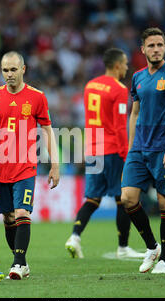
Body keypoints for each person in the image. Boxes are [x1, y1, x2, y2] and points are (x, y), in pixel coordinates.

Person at [0, 51, 60, 280]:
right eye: (5, 70)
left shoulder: (37, 97)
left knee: (22, 212)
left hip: (26, 165)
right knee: (8, 218)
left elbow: (47, 130)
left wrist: (55, 164)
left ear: (23, 69)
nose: (9, 74)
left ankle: (18, 263)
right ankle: (21, 260)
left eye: (13, 69)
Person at [121, 27, 165, 273]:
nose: (156, 49)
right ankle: (152, 247)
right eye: (151, 45)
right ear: (143, 49)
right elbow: (135, 113)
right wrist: (131, 148)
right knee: (128, 198)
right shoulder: (138, 77)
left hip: (164, 149)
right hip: (139, 148)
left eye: (160, 45)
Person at [64, 48, 144, 259]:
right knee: (123, 198)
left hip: (93, 149)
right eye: (125, 63)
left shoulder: (90, 85)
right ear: (117, 65)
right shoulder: (118, 89)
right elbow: (119, 125)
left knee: (92, 198)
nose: (127, 67)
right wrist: (126, 153)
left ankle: (74, 236)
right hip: (111, 150)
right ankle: (123, 247)